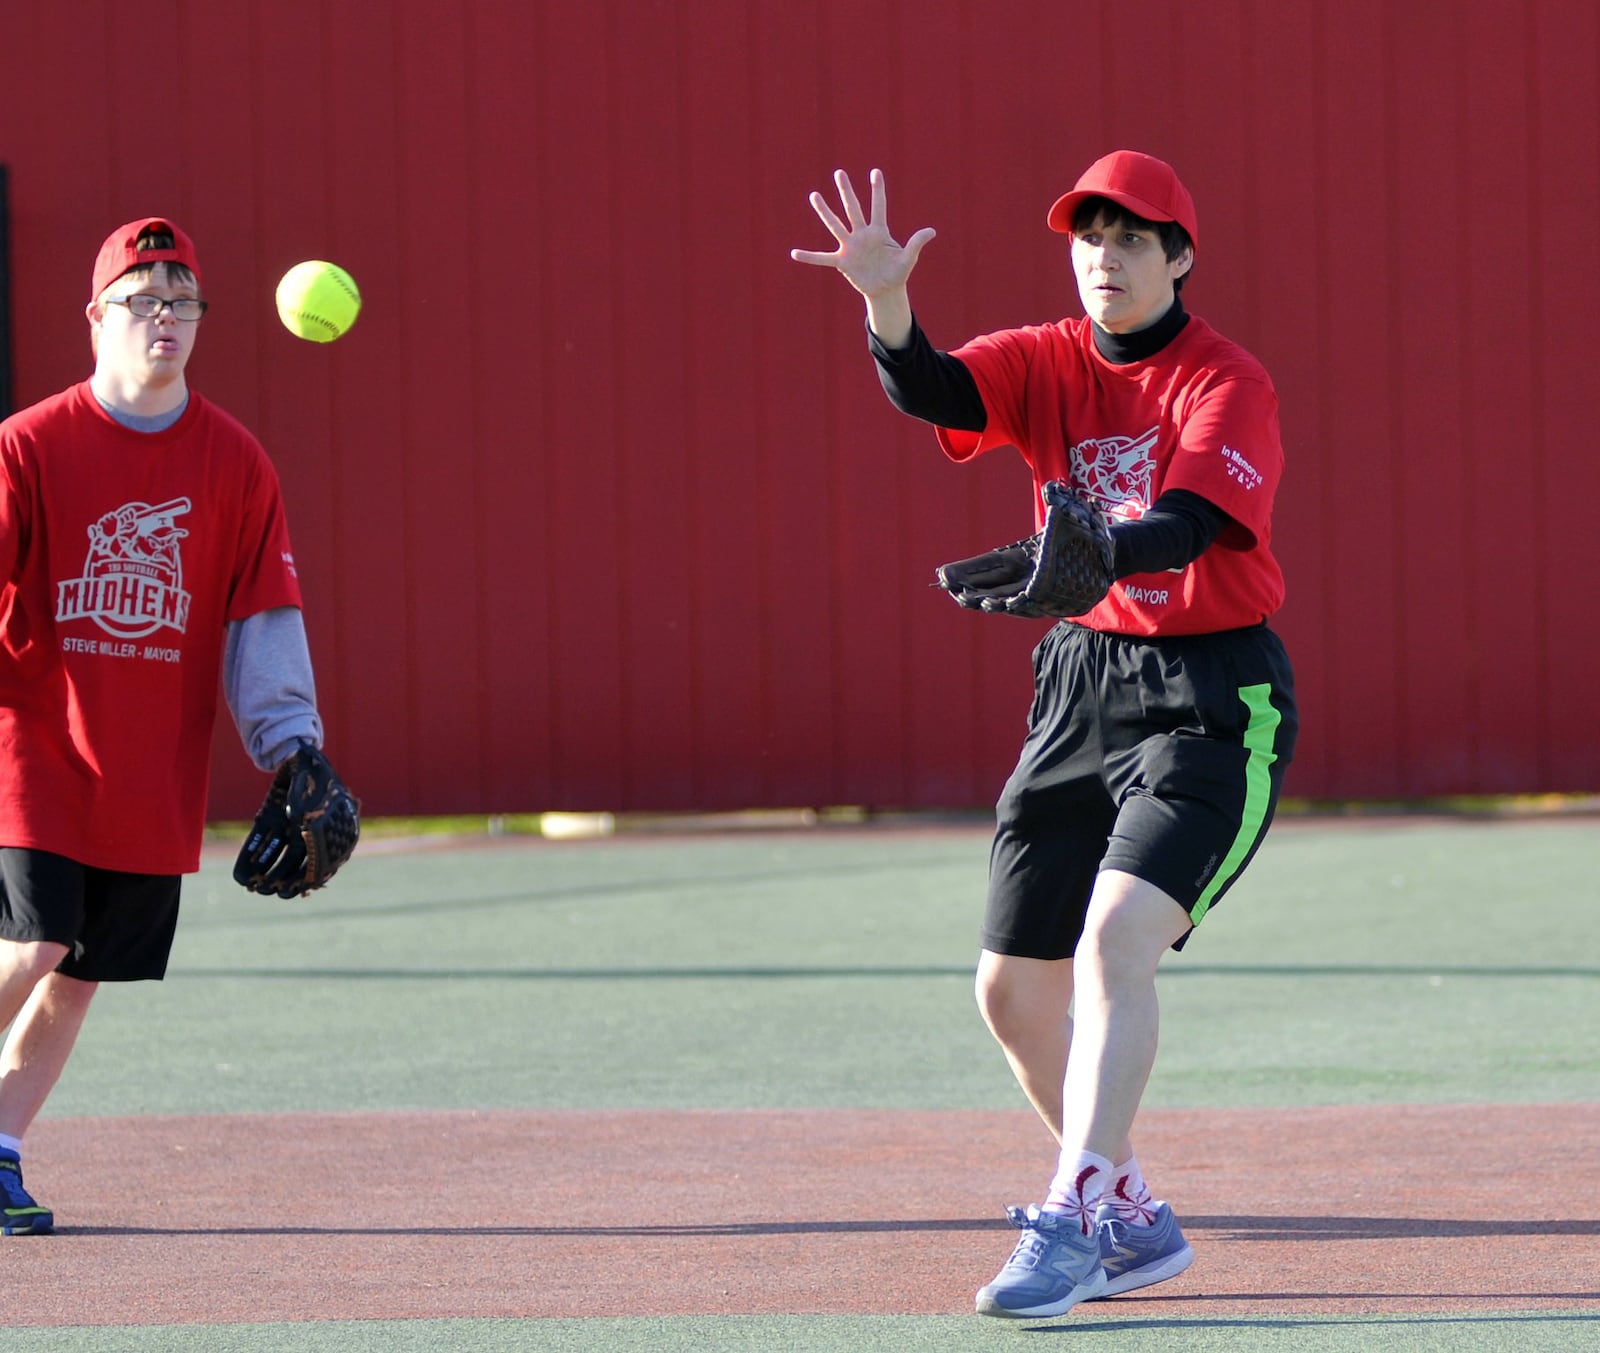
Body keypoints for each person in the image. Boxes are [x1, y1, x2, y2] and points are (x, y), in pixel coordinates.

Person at [793, 151, 1298, 1318]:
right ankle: (1128, 1207)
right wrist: (885, 302)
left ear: (1177, 257)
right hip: (1081, 682)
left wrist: (1092, 554)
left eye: (1131, 238)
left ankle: (1070, 1215)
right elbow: (938, 392)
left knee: (1113, 941)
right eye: (1088, 237)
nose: (1104, 258)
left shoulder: (1226, 378)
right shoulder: (1045, 357)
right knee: (1011, 995)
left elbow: (1187, 523)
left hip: (1207, 698)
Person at [0, 218, 331, 1235]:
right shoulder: (30, 446)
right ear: (95, 317)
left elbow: (261, 619)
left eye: (180, 300)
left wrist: (296, 749)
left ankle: (2, 1148)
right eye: (142, 298)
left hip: (150, 766)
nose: (164, 318)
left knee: (83, 976)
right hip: (38, 746)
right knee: (37, 940)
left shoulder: (234, 461)